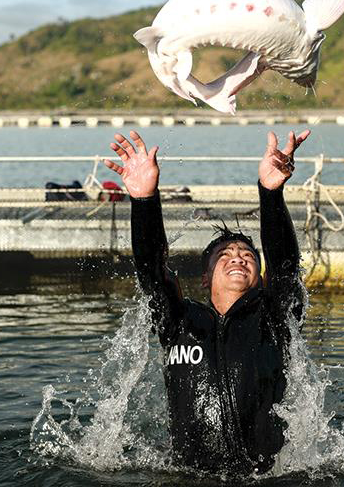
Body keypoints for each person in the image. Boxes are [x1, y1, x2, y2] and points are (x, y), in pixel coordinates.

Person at [103, 128, 310, 475]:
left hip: (261, 479)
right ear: (205, 278)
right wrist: (144, 201)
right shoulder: (178, 322)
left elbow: (286, 267)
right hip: (189, 476)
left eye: (247, 254)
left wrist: (271, 193)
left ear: (259, 276)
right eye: (225, 255)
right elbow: (151, 270)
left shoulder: (273, 320)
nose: (238, 258)